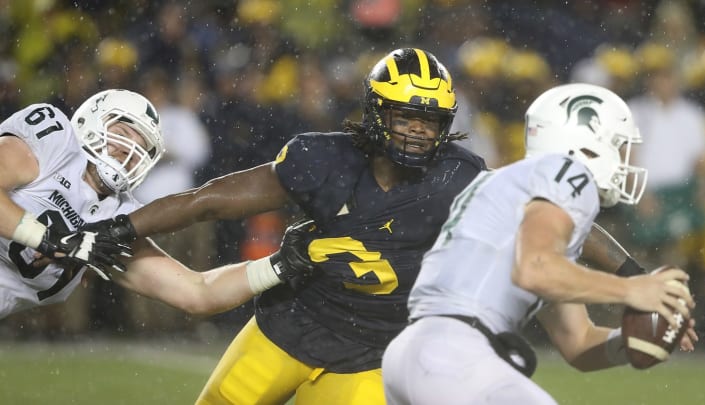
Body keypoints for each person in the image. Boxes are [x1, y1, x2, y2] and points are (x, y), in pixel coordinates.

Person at [78, 50, 655, 405]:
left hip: (376, 353)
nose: (417, 132)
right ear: (378, 111)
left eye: (430, 121)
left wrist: (636, 273)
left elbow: (551, 207)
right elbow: (208, 202)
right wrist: (124, 226)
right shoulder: (320, 159)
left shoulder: (460, 178)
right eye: (405, 115)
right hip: (290, 326)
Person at [381, 83, 697, 405]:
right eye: (617, 145)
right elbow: (535, 270)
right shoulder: (566, 171)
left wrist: (633, 340)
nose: (624, 159)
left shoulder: (518, 194)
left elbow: (579, 343)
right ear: (586, 142)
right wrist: (634, 289)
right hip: (454, 355)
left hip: (417, 355)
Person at [0, 89, 164, 318]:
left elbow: (199, 291)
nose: (129, 150)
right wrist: (51, 239)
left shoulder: (121, 215)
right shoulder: (55, 142)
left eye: (140, 149)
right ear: (91, 122)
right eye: (123, 133)